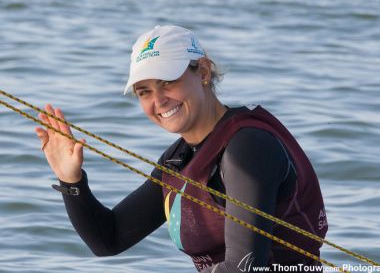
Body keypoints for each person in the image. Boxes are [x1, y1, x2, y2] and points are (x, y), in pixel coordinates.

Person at [35, 25, 328, 272]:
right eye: (144, 91)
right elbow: (109, 239)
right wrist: (71, 180)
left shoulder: (247, 148)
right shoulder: (181, 158)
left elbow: (245, 266)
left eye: (167, 82)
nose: (159, 100)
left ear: (202, 71)